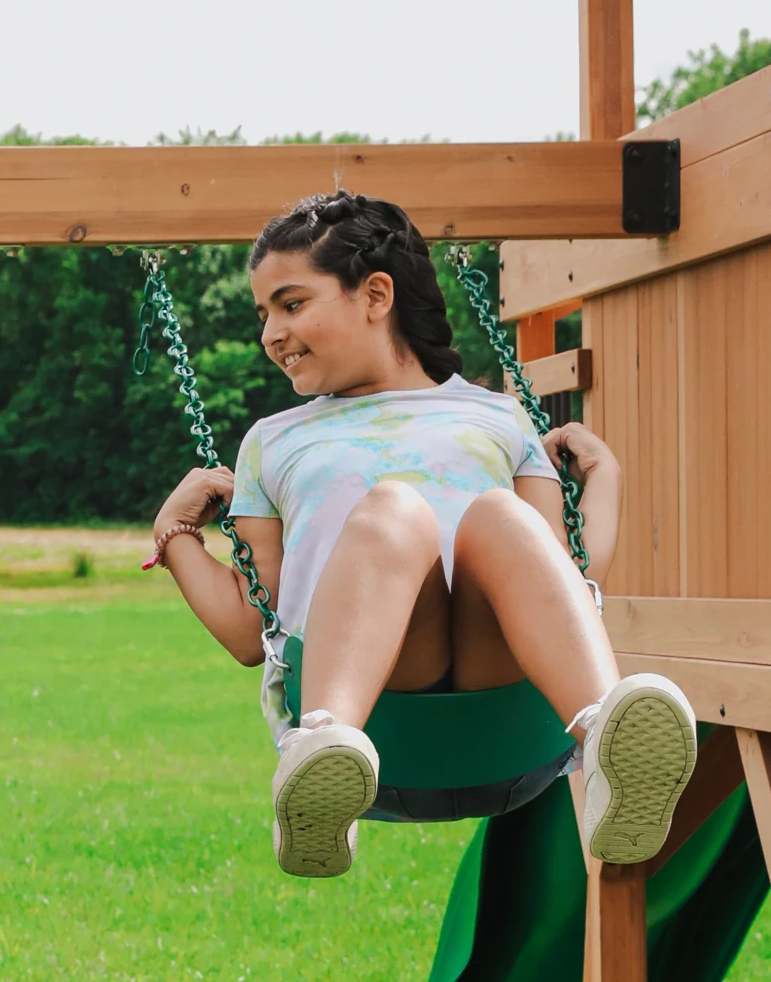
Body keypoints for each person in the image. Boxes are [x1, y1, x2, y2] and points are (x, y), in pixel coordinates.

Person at [149, 190, 695, 879]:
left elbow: (565, 576)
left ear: (376, 295)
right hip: (381, 712)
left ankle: (604, 740)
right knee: (394, 513)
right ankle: (324, 752)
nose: (271, 334)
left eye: (291, 304)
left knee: (501, 518)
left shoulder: (499, 416)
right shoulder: (273, 440)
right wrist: (174, 533)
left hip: (513, 706)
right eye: (265, 314)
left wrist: (605, 478)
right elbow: (248, 631)